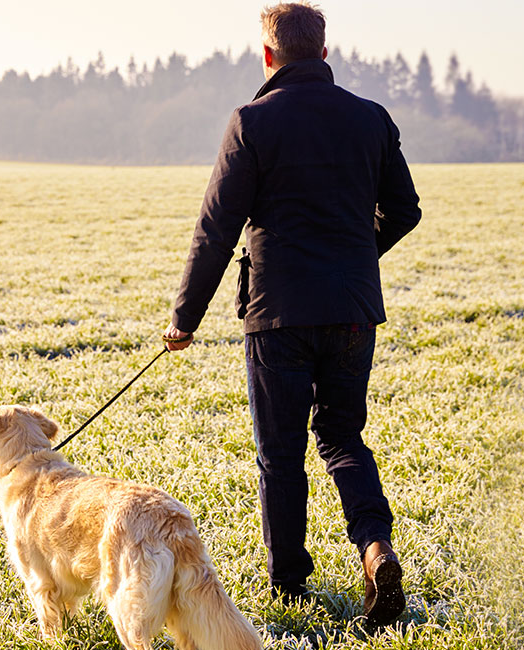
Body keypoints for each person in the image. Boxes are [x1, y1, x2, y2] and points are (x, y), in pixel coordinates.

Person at [159, 2, 421, 627]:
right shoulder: (372, 119)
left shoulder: (252, 121)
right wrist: (357, 254)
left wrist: (185, 317)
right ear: (324, 53)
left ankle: (289, 583)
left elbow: (216, 228)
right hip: (353, 311)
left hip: (276, 313)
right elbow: (405, 209)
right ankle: (376, 550)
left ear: (270, 56)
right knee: (342, 436)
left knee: (280, 452)